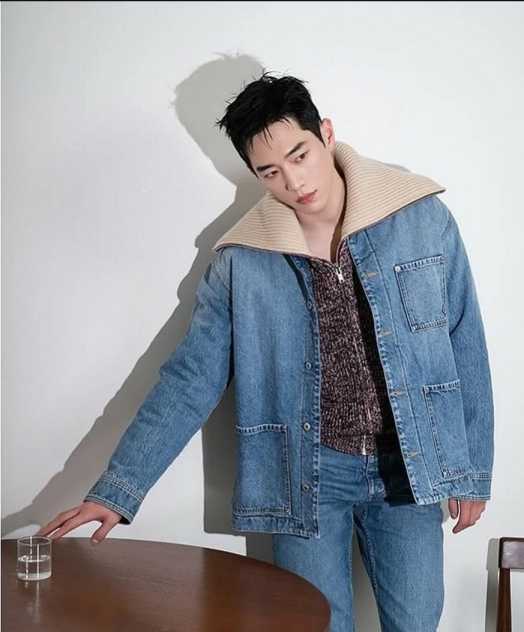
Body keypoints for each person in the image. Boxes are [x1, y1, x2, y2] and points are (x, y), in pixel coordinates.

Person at [37, 72, 494, 631]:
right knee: (313, 623)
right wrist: (118, 491)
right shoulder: (243, 260)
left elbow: (464, 340)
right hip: (306, 473)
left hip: (411, 463)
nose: (294, 181)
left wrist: (471, 472)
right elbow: (190, 379)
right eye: (270, 172)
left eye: (299, 155)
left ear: (326, 134)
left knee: (418, 623)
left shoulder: (418, 217)